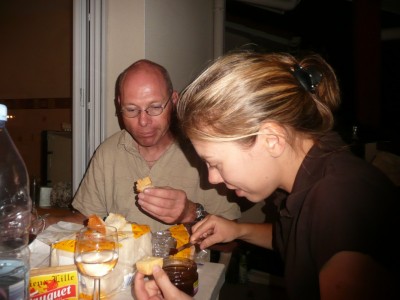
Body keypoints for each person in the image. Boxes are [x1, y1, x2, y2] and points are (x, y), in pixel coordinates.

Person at [134, 51, 399, 300]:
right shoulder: (314, 163)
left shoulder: (339, 201)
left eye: (214, 163)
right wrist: (238, 230)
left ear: (271, 139)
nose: (211, 178)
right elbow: (298, 238)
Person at [61, 59, 240, 232]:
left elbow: (230, 242)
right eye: (131, 110)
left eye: (154, 107)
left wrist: (190, 213)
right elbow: (86, 220)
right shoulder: (108, 152)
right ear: (119, 105)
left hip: (184, 263)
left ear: (174, 101)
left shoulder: (204, 152)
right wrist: (41, 222)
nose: (143, 121)